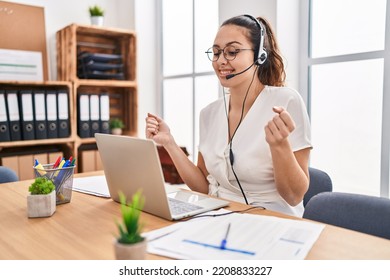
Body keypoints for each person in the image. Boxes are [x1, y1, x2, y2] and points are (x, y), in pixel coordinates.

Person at [146, 14, 312, 217]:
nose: (221, 61)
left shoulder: (285, 101)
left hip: (271, 219)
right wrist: (169, 143)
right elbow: (203, 187)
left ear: (259, 55)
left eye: (232, 52)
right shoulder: (209, 114)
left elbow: (294, 196)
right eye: (216, 53)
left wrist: (280, 146)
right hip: (218, 215)